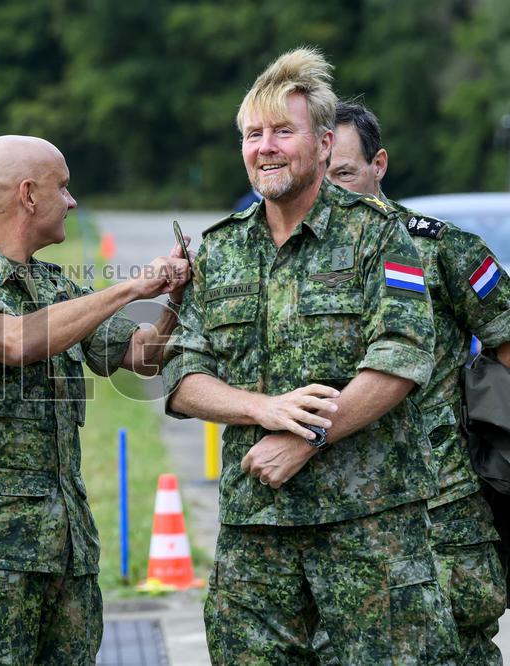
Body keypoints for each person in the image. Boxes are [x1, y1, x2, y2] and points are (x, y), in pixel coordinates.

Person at [162, 48, 459, 663]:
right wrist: (264, 409)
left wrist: (307, 437)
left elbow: (402, 355)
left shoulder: (380, 234)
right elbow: (182, 376)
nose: (265, 147)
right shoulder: (219, 251)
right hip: (256, 537)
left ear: (324, 145)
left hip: (371, 531)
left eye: (282, 132)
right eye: (253, 134)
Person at [0, 134, 190, 664]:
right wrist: (130, 288)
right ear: (29, 195)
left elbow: (142, 357)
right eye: (64, 187)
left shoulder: (57, 289)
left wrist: (173, 299)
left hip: (65, 556)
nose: (73, 200)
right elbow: (17, 341)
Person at [329, 100, 510, 664]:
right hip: (334, 504)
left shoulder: (438, 248)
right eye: (322, 175)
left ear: (378, 164)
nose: (334, 192)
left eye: (345, 173)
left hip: (441, 507)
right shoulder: (291, 260)